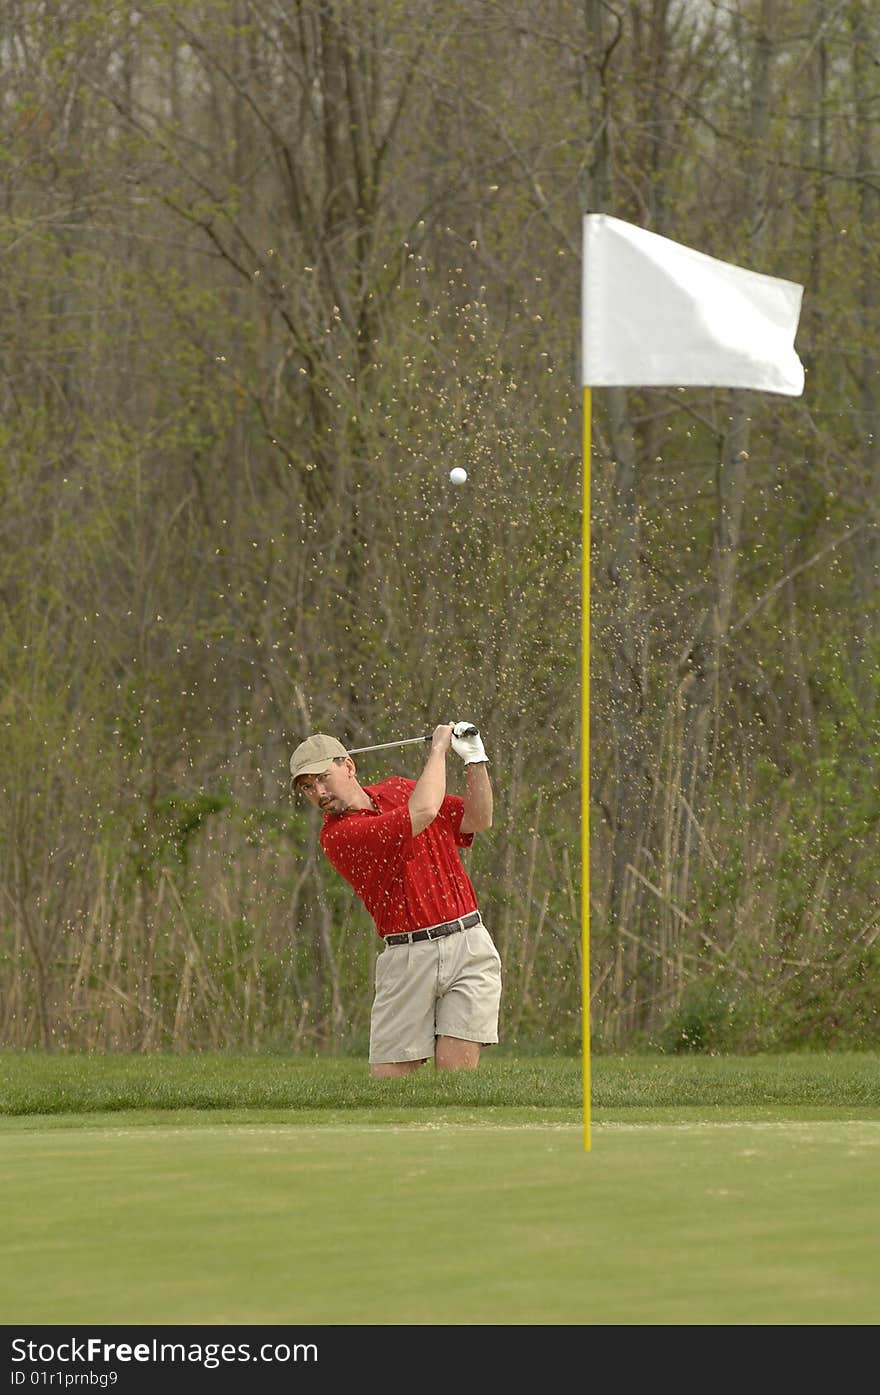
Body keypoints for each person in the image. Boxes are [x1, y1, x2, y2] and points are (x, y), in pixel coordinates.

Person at [289, 722, 502, 1078]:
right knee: (389, 1084)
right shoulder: (339, 836)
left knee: (457, 1081)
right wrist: (438, 750)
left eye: (323, 777)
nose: (319, 792)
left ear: (349, 766)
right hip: (406, 959)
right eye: (308, 787)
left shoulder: (399, 789)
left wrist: (476, 760)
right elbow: (422, 813)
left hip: (469, 945)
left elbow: (477, 819)